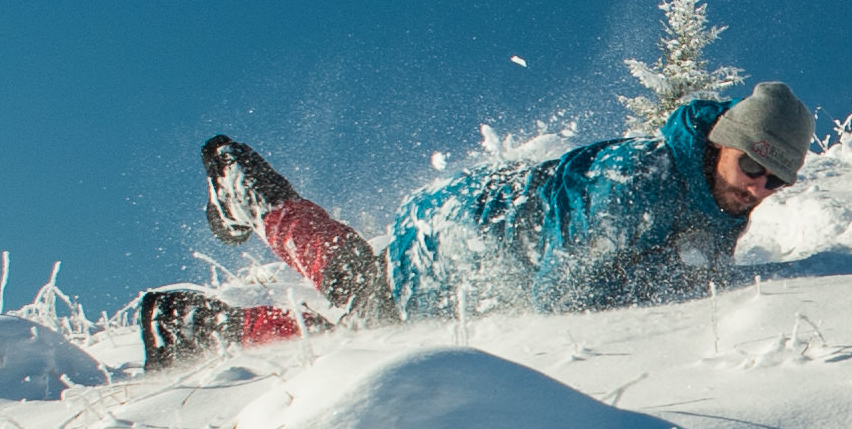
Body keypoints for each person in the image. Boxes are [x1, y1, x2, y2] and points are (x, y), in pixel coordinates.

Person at [141, 81, 815, 371]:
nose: (758, 186)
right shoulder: (633, 186)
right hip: (460, 236)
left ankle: (239, 211)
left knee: (360, 296)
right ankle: (196, 317)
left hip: (479, 233)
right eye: (752, 164)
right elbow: (563, 295)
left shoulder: (713, 194)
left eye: (775, 179)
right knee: (363, 316)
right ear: (725, 139)